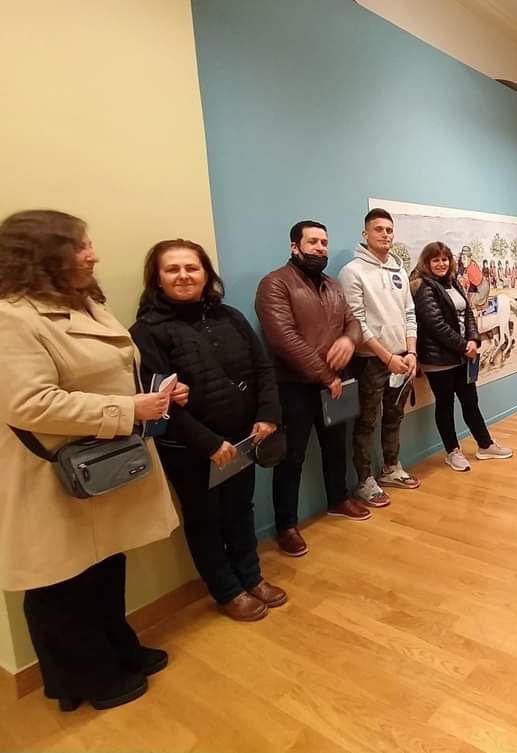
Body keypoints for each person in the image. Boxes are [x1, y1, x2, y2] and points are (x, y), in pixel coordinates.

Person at [0, 210, 180, 711]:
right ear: (42, 253)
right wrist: (128, 410)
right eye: (80, 246)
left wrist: (154, 396)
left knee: (104, 565)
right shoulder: (11, 318)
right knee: (62, 580)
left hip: (101, 459)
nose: (92, 254)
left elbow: (107, 375)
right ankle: (84, 676)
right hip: (55, 472)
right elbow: (29, 404)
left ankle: (117, 647)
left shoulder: (83, 305)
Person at [130, 240, 287, 622]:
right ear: (158, 279)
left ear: (206, 274)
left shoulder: (230, 317)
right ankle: (227, 589)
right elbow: (160, 401)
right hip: (191, 448)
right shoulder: (146, 332)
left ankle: (251, 576)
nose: (184, 275)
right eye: (173, 269)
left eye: (192, 268)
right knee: (204, 520)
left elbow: (263, 368)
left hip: (242, 438)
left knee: (240, 509)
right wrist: (208, 443)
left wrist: (267, 415)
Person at [256, 220, 363, 557]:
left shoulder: (332, 285)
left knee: (336, 447)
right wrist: (327, 376)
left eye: (324, 243)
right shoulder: (275, 284)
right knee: (292, 458)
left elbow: (354, 321)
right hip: (294, 386)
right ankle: (286, 525)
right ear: (294, 246)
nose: (320, 248)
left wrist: (348, 339)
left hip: (334, 383)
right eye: (313, 242)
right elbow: (283, 340)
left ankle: (338, 499)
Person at [338, 208, 421, 507]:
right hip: (370, 362)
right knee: (366, 422)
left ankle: (390, 468)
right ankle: (364, 481)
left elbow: (410, 314)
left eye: (389, 230)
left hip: (402, 359)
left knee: (395, 416)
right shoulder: (352, 272)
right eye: (378, 230)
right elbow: (357, 322)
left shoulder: (398, 270)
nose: (385, 235)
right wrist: (387, 358)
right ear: (365, 234)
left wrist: (411, 352)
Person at [410, 242, 512, 472]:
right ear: (426, 263)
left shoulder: (453, 282)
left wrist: (474, 340)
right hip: (439, 360)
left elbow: (468, 314)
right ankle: (452, 451)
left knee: (470, 401)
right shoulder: (425, 288)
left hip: (461, 356)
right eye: (435, 260)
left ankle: (485, 445)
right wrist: (464, 346)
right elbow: (436, 326)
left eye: (444, 259)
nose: (441, 263)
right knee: (445, 405)